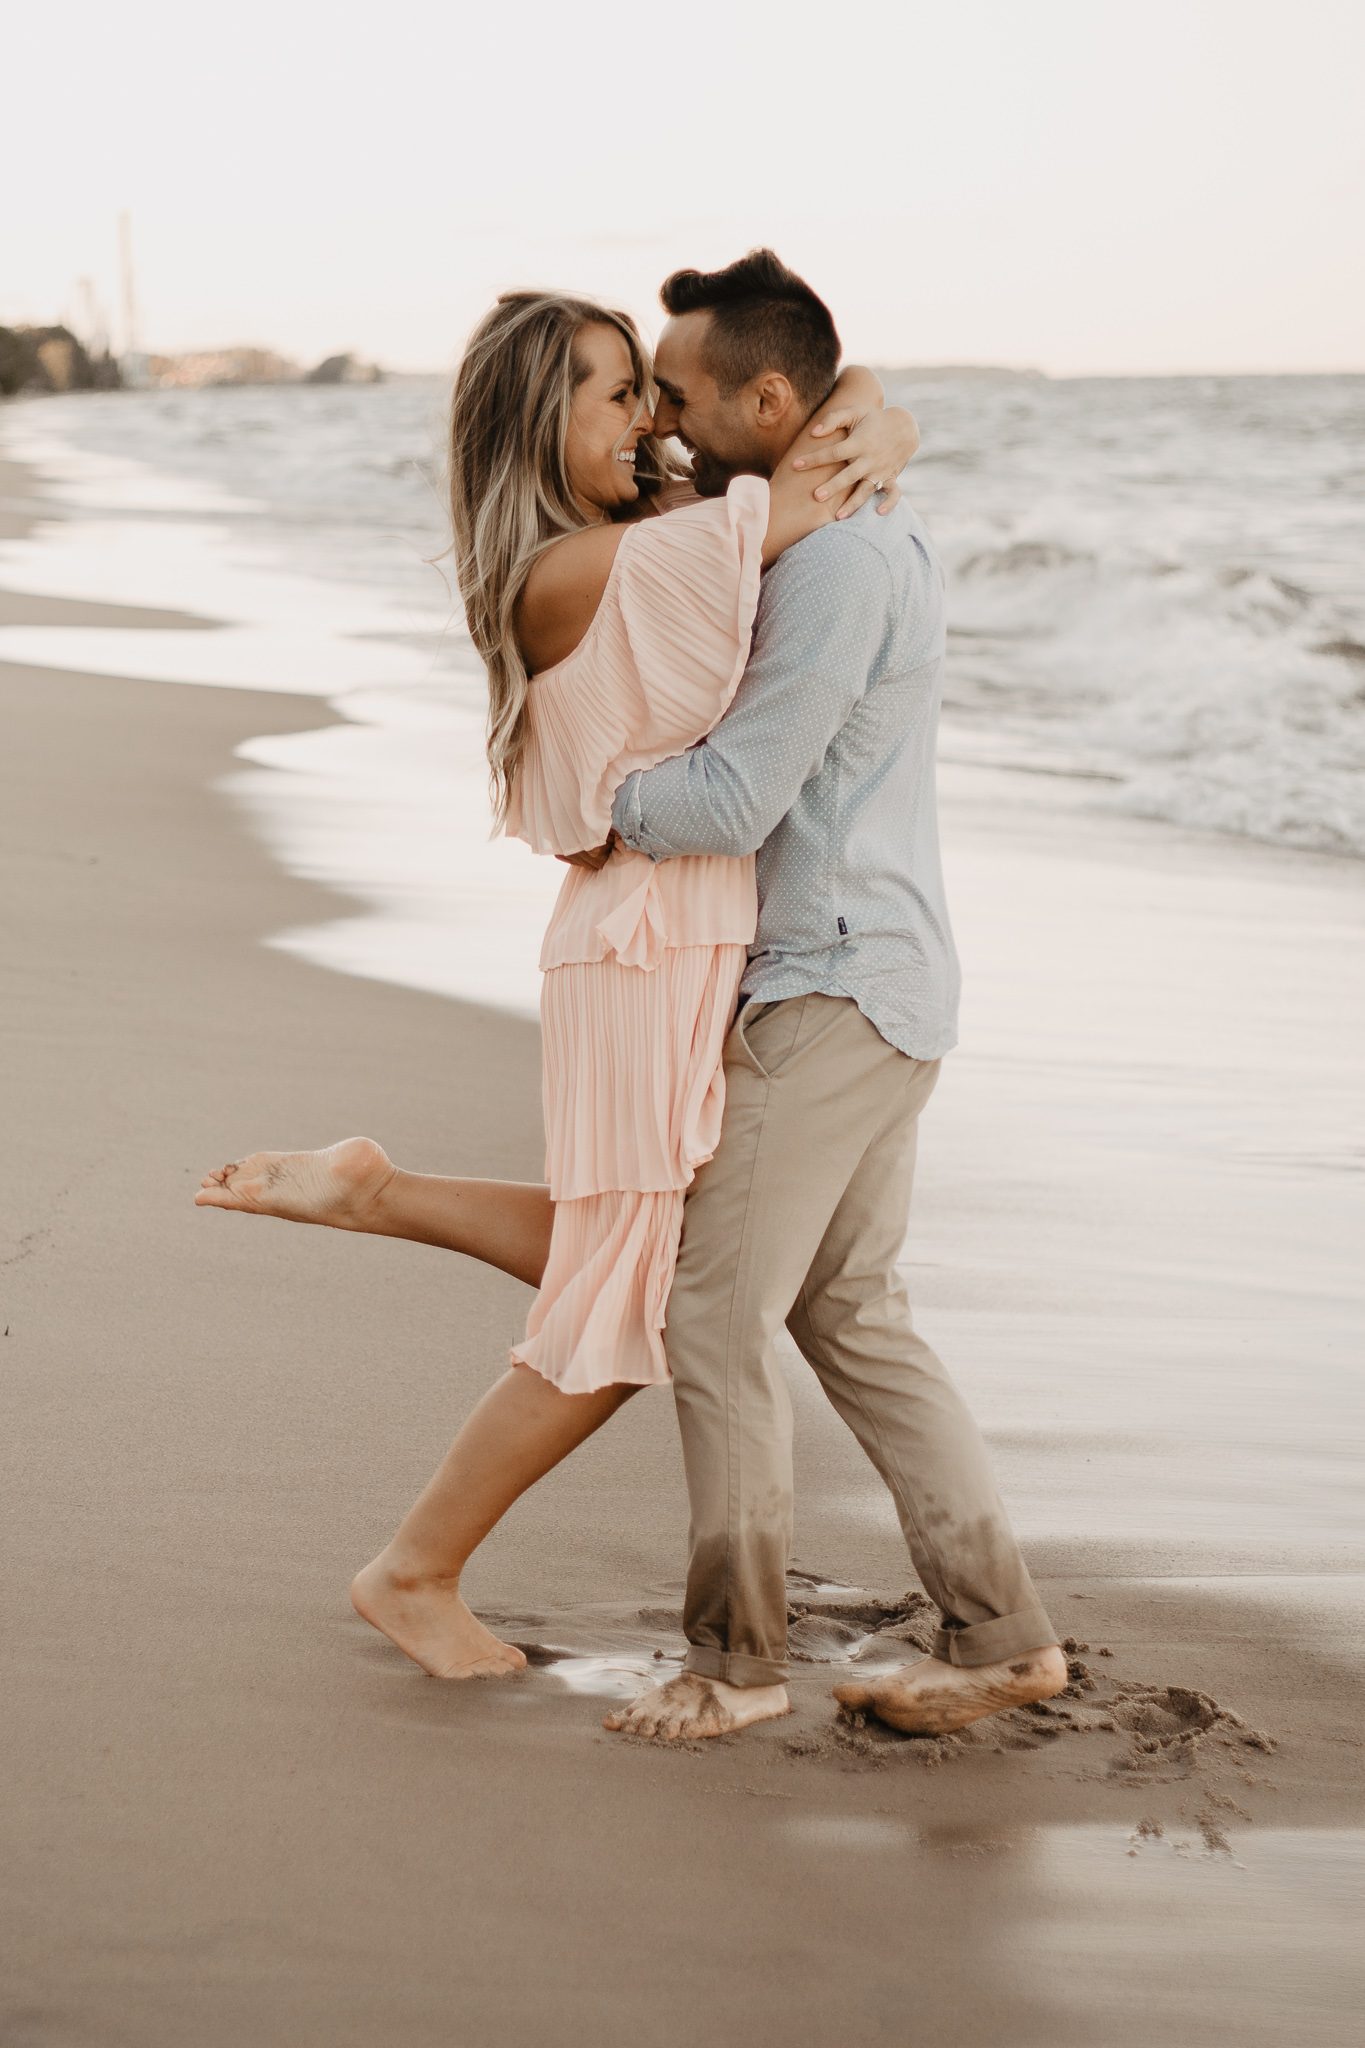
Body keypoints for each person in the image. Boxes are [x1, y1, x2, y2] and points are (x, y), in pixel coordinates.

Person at [196, 273, 918, 1685]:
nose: (649, 413)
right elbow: (822, 469)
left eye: (649, 384)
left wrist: (880, 425)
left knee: (645, 1264)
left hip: (664, 936)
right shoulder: (580, 571)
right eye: (615, 390)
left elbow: (833, 420)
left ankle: (376, 1192)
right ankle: (413, 1570)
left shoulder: (633, 539)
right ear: (542, 421)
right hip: (647, 948)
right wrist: (882, 435)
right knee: (630, 1298)